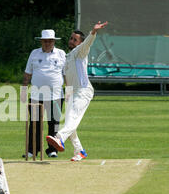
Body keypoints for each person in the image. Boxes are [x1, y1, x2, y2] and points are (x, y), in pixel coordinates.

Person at [46, 21, 108, 161]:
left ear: (79, 43)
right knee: (70, 123)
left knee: (72, 119)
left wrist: (93, 32)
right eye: (71, 38)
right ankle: (80, 151)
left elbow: (87, 44)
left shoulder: (81, 52)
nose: (72, 41)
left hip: (83, 91)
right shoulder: (67, 57)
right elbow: (66, 78)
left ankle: (59, 137)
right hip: (71, 93)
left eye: (75, 40)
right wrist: (66, 94)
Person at [20, 29, 66, 158]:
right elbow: (27, 73)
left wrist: (69, 90)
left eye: (50, 41)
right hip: (36, 95)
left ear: (53, 41)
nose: (47, 43)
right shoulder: (34, 53)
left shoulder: (61, 54)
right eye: (45, 41)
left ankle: (52, 150)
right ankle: (32, 150)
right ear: (41, 41)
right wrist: (23, 90)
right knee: (34, 123)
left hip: (56, 95)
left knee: (54, 123)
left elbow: (66, 74)